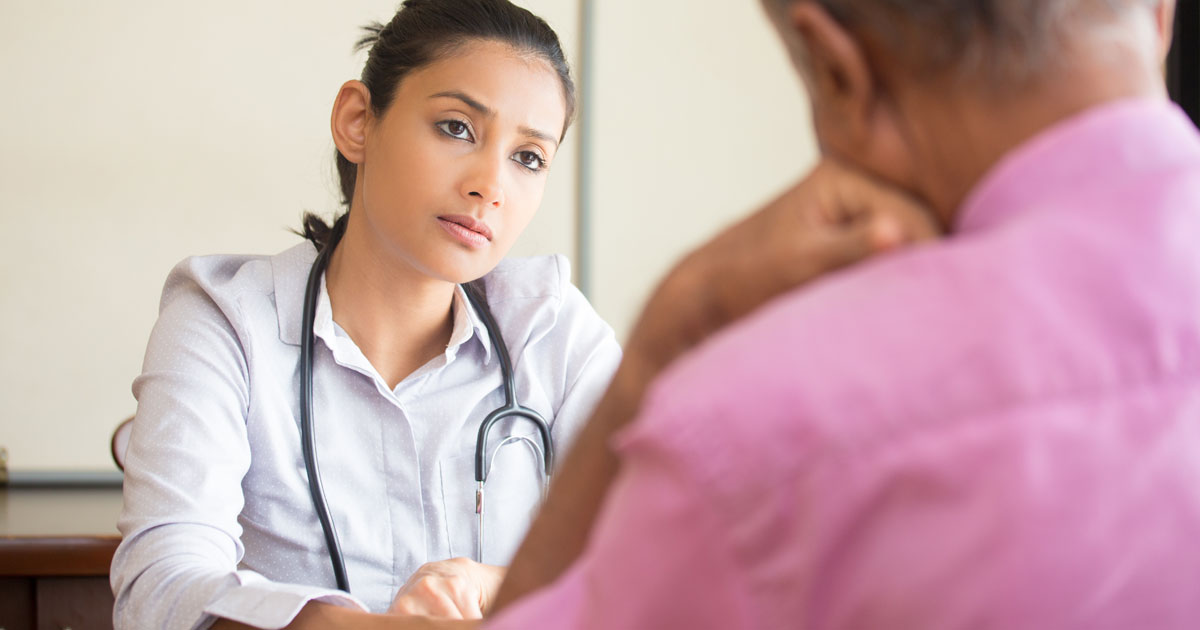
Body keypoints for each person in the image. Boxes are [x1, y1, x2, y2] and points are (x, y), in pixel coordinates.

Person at [480, 0, 1200, 628]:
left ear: (836, 72)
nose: (487, 186)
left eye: (529, 157)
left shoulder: (752, 435)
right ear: (1158, 11)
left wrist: (661, 345)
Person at [109, 1, 621, 629]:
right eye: (457, 127)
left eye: (529, 157)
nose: (490, 183)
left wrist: (497, 586)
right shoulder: (225, 321)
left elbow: (667, 562)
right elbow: (160, 595)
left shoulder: (551, 328)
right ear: (358, 121)